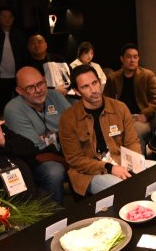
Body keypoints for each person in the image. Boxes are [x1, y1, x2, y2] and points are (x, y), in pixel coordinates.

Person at [59, 65, 137, 196]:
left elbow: (132, 142)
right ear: (77, 92)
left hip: (121, 161)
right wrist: (109, 168)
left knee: (155, 172)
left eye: (94, 83)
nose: (93, 90)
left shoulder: (120, 107)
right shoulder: (68, 119)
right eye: (85, 87)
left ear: (100, 82)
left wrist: (134, 163)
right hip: (89, 173)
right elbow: (75, 160)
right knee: (125, 188)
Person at [3, 66, 72, 204]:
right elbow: (36, 150)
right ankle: (53, 216)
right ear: (19, 91)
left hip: (67, 151)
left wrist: (55, 137)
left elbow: (76, 125)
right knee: (54, 171)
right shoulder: (13, 109)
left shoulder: (55, 96)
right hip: (36, 161)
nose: (38, 90)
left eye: (40, 84)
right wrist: (60, 135)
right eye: (30, 87)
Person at [104, 43, 156, 155]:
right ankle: (120, 166)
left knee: (134, 133)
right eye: (129, 57)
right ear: (122, 59)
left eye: (135, 57)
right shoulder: (113, 78)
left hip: (143, 118)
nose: (132, 60)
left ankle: (140, 168)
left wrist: (145, 114)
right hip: (121, 118)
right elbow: (106, 100)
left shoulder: (147, 75)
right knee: (110, 134)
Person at [0, 6, 27, 113]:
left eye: (10, 16)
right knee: (2, 106)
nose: (7, 19)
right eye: (3, 16)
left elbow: (24, 55)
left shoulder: (19, 34)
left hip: (18, 76)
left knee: (22, 105)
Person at [24, 32, 71, 96]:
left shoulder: (59, 60)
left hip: (65, 94)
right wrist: (54, 91)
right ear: (28, 47)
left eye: (39, 42)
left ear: (46, 45)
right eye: (32, 43)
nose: (36, 45)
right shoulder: (25, 67)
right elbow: (27, 88)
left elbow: (70, 78)